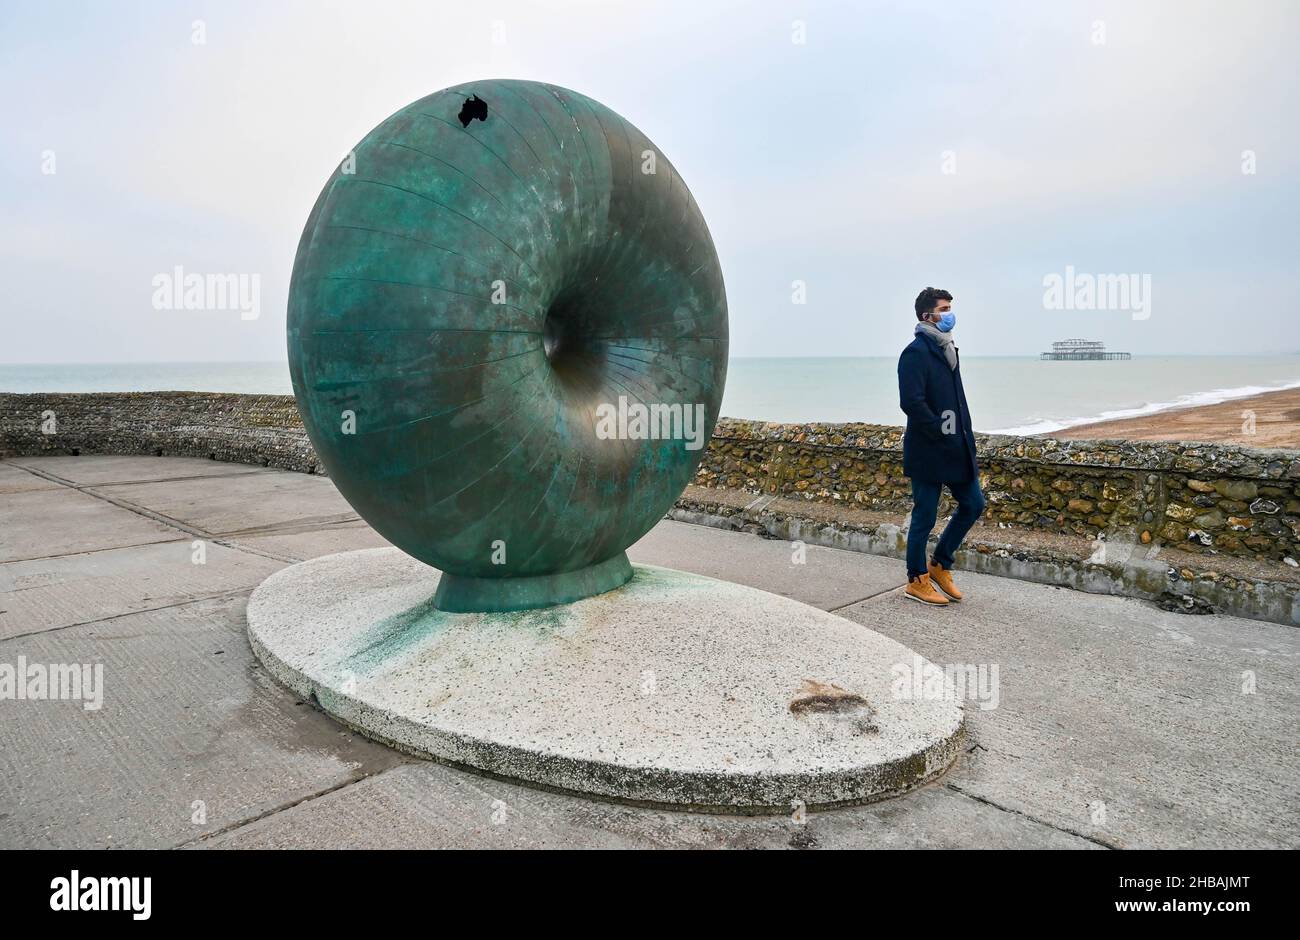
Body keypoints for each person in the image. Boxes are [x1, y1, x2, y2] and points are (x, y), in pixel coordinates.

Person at [897, 287, 986, 606]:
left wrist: (964, 437)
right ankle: (916, 579)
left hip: (957, 446)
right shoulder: (915, 352)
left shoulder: (949, 349)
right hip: (929, 450)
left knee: (974, 504)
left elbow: (957, 402)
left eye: (950, 308)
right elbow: (911, 402)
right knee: (925, 516)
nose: (950, 314)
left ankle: (940, 563)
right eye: (944, 309)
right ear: (927, 316)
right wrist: (939, 429)